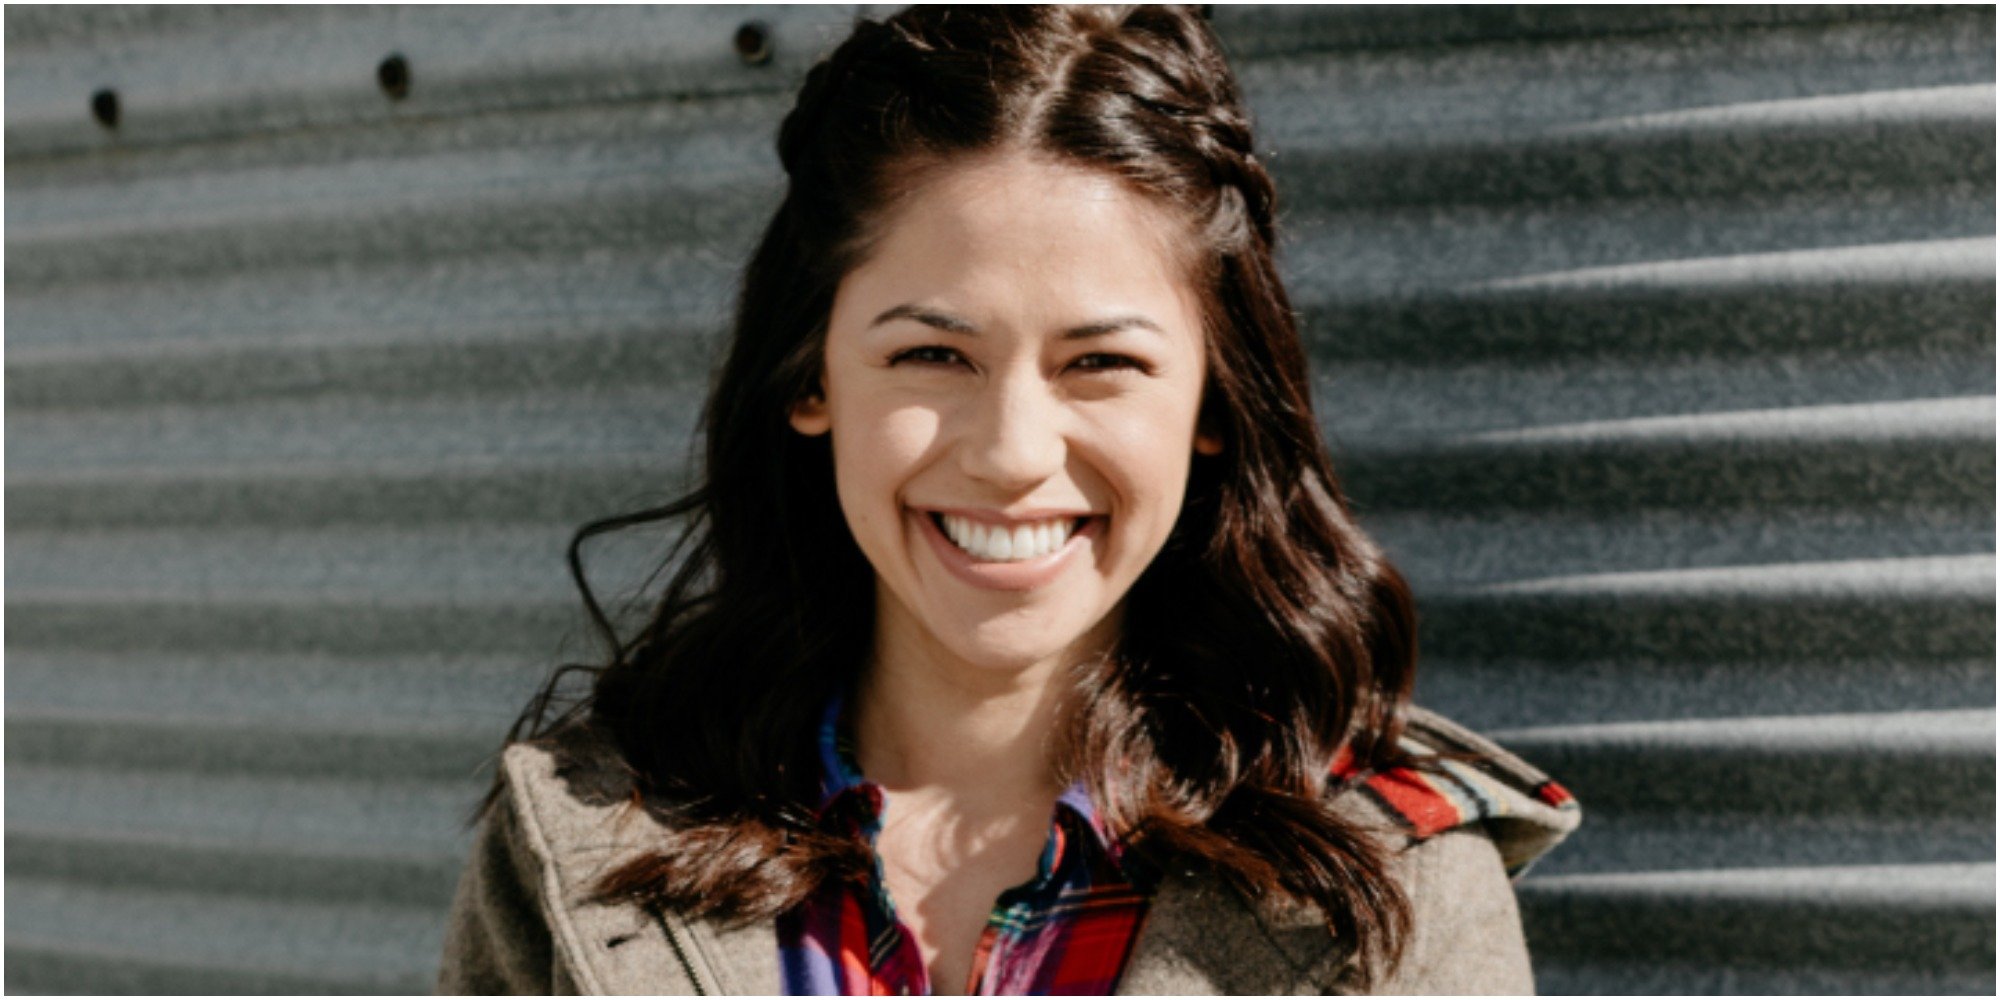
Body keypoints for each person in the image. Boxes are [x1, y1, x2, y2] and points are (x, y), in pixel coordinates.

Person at [437, 6, 1579, 995]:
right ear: (809, 375)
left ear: (1211, 406)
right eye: (933, 356)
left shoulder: (1392, 878)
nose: (1011, 454)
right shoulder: (584, 838)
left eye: (1100, 364)